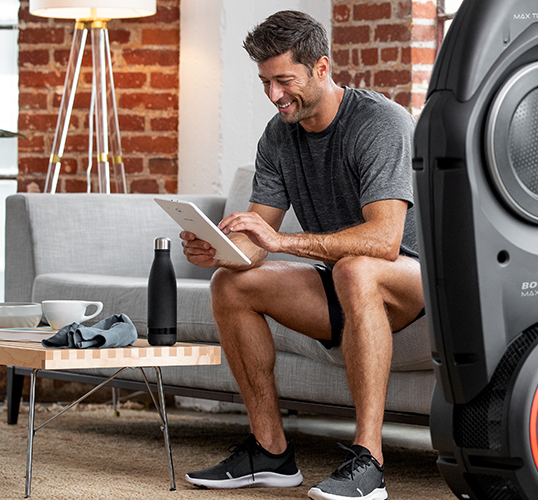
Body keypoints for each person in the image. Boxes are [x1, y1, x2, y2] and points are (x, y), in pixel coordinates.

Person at [179, 10, 423, 500]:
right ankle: (271, 452)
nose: (274, 95)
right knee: (232, 285)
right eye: (266, 82)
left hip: (411, 278)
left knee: (356, 269)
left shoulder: (380, 123)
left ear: (322, 68)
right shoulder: (278, 134)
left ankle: (368, 461)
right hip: (336, 277)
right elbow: (255, 240)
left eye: (284, 80)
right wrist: (220, 251)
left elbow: (384, 241)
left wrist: (283, 244)